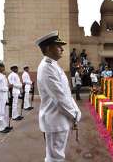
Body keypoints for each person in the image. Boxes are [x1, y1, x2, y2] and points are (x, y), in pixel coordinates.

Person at [35, 30, 81, 162]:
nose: (62, 49)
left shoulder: (53, 65)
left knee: (57, 155)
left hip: (60, 118)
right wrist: (74, 115)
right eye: (58, 46)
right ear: (48, 48)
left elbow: (66, 93)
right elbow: (59, 98)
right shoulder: (46, 67)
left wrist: (75, 112)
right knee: (55, 158)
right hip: (55, 119)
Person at [0, 62, 12, 133]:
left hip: (4, 95)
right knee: (0, 112)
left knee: (4, 111)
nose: (3, 68)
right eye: (1, 67)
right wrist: (7, 88)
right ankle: (1, 128)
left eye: (3, 66)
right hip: (0, 95)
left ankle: (5, 125)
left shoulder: (2, 76)